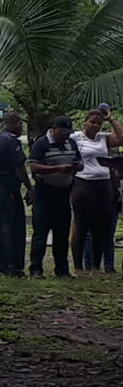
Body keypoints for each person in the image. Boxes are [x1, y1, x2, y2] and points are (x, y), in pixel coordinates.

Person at [27, 116, 83, 278]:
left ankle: (62, 270)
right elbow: (34, 167)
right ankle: (36, 269)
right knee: (41, 232)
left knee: (62, 232)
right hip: (45, 192)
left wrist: (77, 166)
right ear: (54, 128)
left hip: (64, 192)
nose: (65, 135)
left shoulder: (70, 143)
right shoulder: (42, 143)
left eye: (67, 133)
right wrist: (57, 169)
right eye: (62, 132)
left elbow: (78, 160)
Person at [70, 109, 123, 273]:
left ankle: (96, 266)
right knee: (81, 225)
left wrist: (111, 119)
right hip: (83, 183)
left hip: (103, 184)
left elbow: (121, 138)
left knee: (101, 226)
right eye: (92, 122)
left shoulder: (103, 138)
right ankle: (79, 267)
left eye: (99, 123)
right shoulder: (75, 137)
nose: (95, 126)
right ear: (85, 122)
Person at [0, 112, 33, 277]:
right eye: (20, 124)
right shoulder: (11, 141)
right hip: (7, 189)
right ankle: (13, 266)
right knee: (13, 228)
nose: (22, 128)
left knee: (1, 227)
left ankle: (2, 265)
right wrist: (29, 187)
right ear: (13, 124)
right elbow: (19, 168)